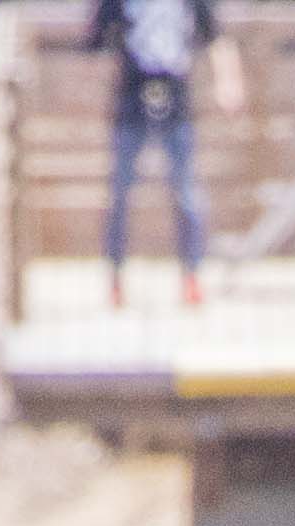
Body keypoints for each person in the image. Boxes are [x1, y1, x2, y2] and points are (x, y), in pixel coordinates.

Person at [87, 0, 206, 307]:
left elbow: (212, 32)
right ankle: (115, 278)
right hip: (131, 100)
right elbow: (96, 36)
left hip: (176, 100)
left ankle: (191, 275)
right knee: (120, 195)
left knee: (187, 195)